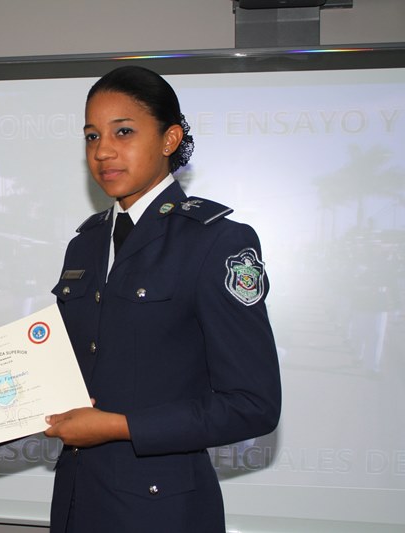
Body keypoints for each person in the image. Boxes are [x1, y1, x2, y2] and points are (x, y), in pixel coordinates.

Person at [44, 66, 282, 532]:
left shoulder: (215, 242)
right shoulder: (85, 245)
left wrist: (119, 426)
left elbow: (253, 404)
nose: (103, 151)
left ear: (170, 139)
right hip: (77, 505)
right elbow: (65, 368)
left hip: (162, 512)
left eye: (123, 132)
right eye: (92, 136)